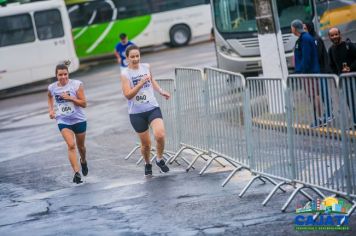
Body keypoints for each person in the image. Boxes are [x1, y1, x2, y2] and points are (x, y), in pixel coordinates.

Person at [120, 45, 170, 176]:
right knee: (146, 145)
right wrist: (140, 84)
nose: (136, 59)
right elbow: (128, 95)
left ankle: (159, 159)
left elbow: (151, 80)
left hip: (152, 107)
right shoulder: (125, 74)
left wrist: (161, 91)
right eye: (132, 57)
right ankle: (147, 163)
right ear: (127, 58)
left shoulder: (146, 67)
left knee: (160, 134)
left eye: (137, 56)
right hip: (136, 113)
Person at [47, 63, 88, 184]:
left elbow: (84, 103)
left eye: (65, 74)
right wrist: (50, 110)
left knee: (81, 147)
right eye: (60, 75)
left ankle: (84, 161)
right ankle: (77, 173)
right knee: (71, 145)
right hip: (63, 120)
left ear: (68, 74)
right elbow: (49, 96)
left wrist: (71, 98)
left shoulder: (76, 85)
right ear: (56, 75)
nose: (63, 77)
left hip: (79, 119)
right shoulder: (52, 87)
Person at [303, 22, 333, 127]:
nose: (303, 30)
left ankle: (329, 113)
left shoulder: (316, 39)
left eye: (305, 28)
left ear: (309, 28)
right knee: (319, 93)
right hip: (315, 71)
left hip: (321, 70)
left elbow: (316, 55)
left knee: (324, 93)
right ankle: (326, 114)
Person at [328, 27, 356, 127]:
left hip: (354, 77)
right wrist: (337, 77)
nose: (334, 37)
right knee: (351, 103)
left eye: (336, 34)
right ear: (329, 37)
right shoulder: (331, 50)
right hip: (343, 81)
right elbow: (331, 65)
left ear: (340, 34)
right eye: (332, 35)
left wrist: (351, 68)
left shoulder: (349, 45)